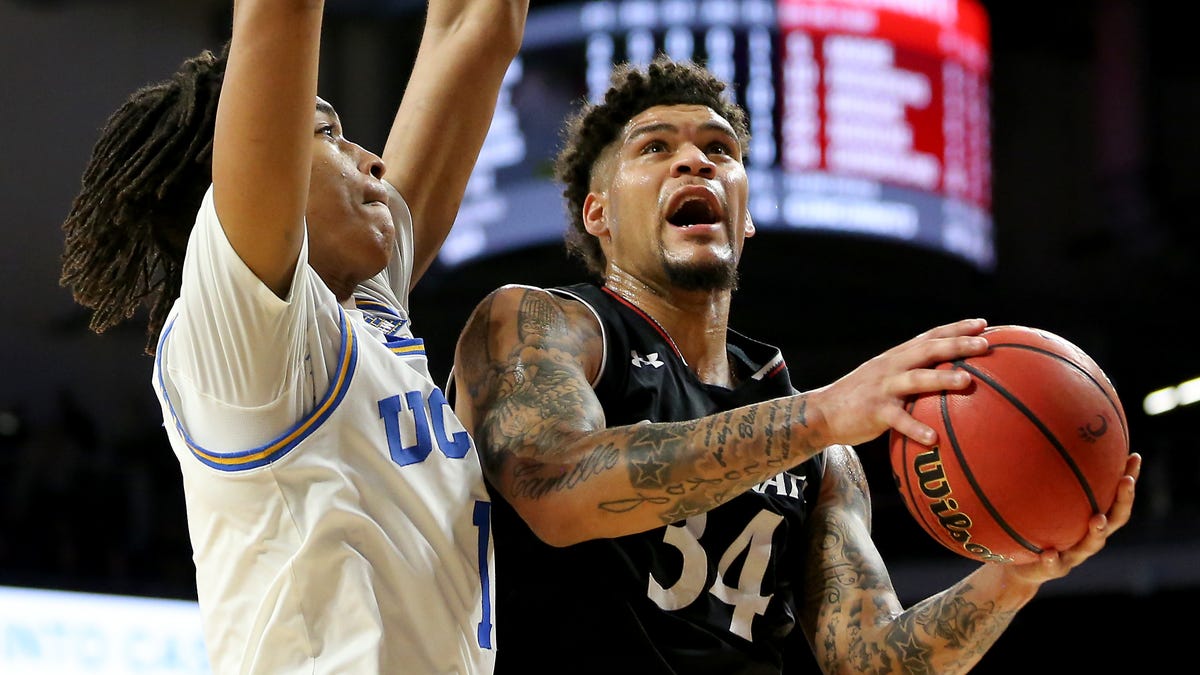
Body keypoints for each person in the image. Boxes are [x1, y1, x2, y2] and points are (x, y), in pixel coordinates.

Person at [449, 55, 1141, 674]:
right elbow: (556, 487)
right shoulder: (541, 323)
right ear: (598, 213)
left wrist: (1017, 573)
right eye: (655, 148)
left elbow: (869, 662)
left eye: (719, 149)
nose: (695, 162)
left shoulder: (822, 455)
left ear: (744, 216)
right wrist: (824, 413)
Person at [59, 0, 527, 672]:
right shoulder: (244, 329)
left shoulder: (367, 310)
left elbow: (477, 27)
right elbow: (278, 16)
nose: (372, 161)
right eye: (329, 133)